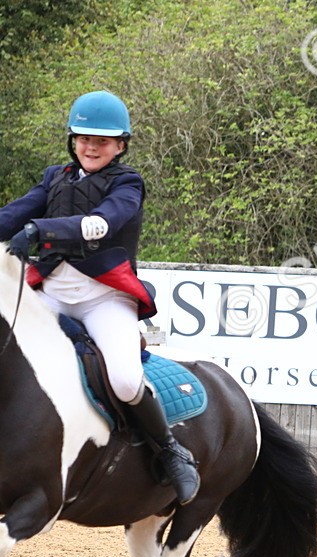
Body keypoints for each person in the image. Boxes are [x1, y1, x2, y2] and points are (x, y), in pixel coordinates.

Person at [1, 90, 200, 504]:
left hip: (105, 298)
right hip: (52, 293)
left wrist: (41, 232)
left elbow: (103, 223)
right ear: (72, 140)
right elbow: (14, 214)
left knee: (126, 380)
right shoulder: (55, 177)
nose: (91, 147)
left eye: (102, 141)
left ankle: (170, 452)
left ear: (120, 146)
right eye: (84, 139)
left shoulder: (128, 183)